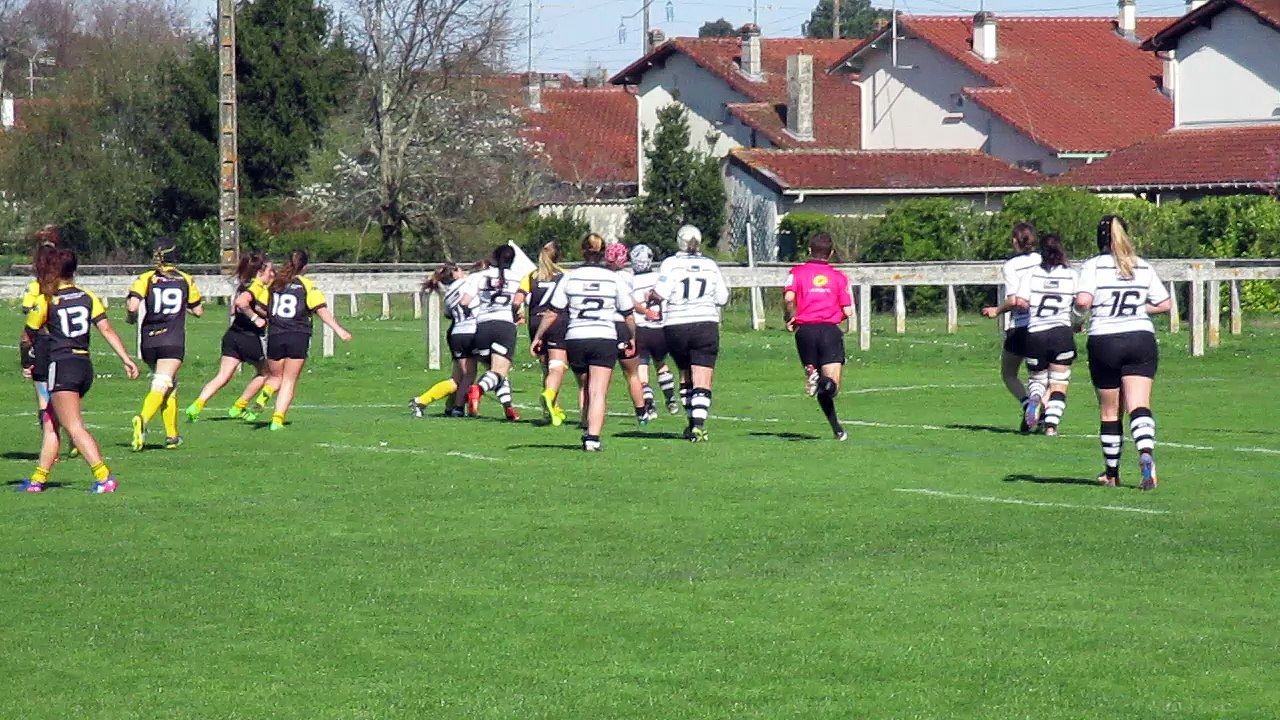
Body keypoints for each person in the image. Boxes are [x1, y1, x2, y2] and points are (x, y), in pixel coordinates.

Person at [18, 247, 140, 493]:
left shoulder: (47, 299)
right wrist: (126, 358)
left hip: (62, 366)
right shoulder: (87, 296)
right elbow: (106, 329)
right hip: (84, 366)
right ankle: (37, 480)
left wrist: (27, 363)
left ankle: (104, 478)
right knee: (52, 421)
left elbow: (26, 337)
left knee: (73, 426)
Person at [1076, 215, 1171, 490]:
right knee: (1139, 405)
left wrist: (1076, 319)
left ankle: (1112, 473)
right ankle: (1146, 455)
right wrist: (1139, 309)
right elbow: (1164, 304)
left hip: (1105, 339)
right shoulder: (1140, 264)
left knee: (1109, 412)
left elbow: (1083, 300)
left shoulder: (1093, 266)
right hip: (1140, 337)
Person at [531, 233, 636, 452]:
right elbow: (628, 313)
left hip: (576, 337)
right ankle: (592, 438)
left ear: (582, 251)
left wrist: (538, 336)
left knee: (585, 386)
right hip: (604, 336)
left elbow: (553, 312)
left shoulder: (571, 277)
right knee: (598, 391)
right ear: (603, 252)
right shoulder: (614, 278)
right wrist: (632, 336)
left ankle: (585, 424)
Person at [247, 250, 353, 430]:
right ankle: (277, 420)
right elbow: (321, 309)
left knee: (275, 377)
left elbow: (259, 306)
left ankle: (260, 400)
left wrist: (272, 317)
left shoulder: (274, 284)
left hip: (275, 335)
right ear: (305, 267)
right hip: (298, 335)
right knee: (288, 380)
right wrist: (339, 330)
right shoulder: (307, 285)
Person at [652, 225, 730, 442]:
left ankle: (690, 422)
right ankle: (698, 425)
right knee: (703, 377)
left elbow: (661, 293)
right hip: (705, 324)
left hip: (676, 324)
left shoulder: (671, 264)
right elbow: (722, 298)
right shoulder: (710, 265)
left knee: (686, 374)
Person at [127, 237, 204, 451]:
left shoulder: (146, 278)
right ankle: (142, 420)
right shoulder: (185, 279)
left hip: (149, 340)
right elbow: (198, 310)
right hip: (172, 339)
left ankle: (172, 436)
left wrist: (130, 318)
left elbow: (133, 307)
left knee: (169, 384)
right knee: (162, 383)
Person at [186, 252, 273, 422]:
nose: (271, 274)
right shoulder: (256, 287)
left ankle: (196, 405)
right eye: (270, 270)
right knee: (266, 373)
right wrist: (257, 318)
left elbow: (234, 309)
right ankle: (238, 407)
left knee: (223, 376)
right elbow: (241, 303)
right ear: (260, 272)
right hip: (249, 337)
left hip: (233, 335)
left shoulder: (243, 285)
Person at [783, 232, 853, 441]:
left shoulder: (796, 272)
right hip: (829, 331)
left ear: (809, 250)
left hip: (805, 332)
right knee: (832, 387)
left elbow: (788, 297)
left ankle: (837, 429)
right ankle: (820, 380)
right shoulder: (839, 277)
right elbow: (848, 310)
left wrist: (790, 316)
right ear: (831, 253)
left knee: (822, 386)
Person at [1010, 234, 1078, 436]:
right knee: (1059, 382)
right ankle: (1051, 426)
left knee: (1038, 380)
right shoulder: (1071, 274)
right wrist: (1076, 321)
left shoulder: (1031, 274)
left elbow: (1020, 302)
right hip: (1061, 332)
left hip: (1035, 334)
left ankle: (1034, 400)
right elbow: (1081, 302)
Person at [982, 222, 1042, 431]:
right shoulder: (1044, 260)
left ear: (1015, 241)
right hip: (1045, 324)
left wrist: (996, 311)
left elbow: (1014, 300)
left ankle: (1027, 404)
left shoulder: (1011, 266)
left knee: (1008, 373)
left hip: (1020, 326)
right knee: (1043, 377)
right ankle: (1044, 415)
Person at [462, 245, 526, 420]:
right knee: (499, 371)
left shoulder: (479, 276)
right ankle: (478, 389)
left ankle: (508, 407)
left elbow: (464, 302)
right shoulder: (517, 279)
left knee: (495, 371)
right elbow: (518, 305)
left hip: (482, 327)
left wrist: (471, 314)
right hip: (504, 327)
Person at [410, 263, 475, 417]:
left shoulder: (449, 293)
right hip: (469, 331)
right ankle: (452, 408)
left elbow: (448, 314)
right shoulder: (468, 284)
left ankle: (446, 406)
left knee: (456, 379)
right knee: (468, 375)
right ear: (456, 272)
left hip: (455, 333)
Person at [629, 244, 679, 415]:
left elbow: (630, 304)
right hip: (661, 328)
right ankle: (670, 398)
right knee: (661, 364)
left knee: (642, 366)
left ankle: (648, 402)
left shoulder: (631, 281)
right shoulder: (659, 278)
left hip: (641, 328)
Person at [524, 242, 570, 426]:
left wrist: (517, 313)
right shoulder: (565, 275)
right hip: (557, 320)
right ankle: (550, 397)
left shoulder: (531, 276)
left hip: (536, 321)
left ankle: (552, 410)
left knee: (546, 369)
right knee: (557, 366)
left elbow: (518, 299)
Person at [606, 241, 651, 424]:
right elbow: (630, 304)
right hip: (622, 325)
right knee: (631, 373)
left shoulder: (602, 275)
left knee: (601, 374)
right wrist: (645, 311)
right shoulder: (626, 277)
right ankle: (641, 412)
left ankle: (592, 411)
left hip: (605, 326)